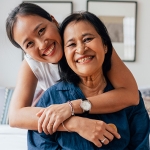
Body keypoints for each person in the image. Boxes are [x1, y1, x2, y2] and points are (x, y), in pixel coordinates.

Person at [6, 2, 139, 140]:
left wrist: (72, 107)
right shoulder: (32, 65)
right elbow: (15, 116)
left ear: (53, 20)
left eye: (41, 31)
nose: (42, 44)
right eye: (29, 44)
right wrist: (75, 123)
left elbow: (131, 94)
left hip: (109, 120)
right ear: (25, 51)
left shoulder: (88, 44)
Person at [27, 11, 149, 150]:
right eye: (71, 44)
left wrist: (72, 108)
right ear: (65, 55)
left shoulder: (129, 100)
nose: (81, 49)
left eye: (87, 39)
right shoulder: (51, 98)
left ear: (105, 45)